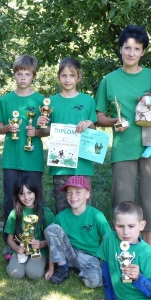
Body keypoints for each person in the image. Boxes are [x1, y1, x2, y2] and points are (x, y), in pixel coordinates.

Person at [95, 25, 151, 248]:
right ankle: (122, 252)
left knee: (150, 201)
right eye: (127, 47)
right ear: (121, 49)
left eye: (137, 48)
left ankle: (147, 254)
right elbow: (98, 117)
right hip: (124, 148)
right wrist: (116, 122)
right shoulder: (109, 80)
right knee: (122, 203)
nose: (131, 53)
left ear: (143, 51)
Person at [0, 54, 47, 247]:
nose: (23, 77)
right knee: (10, 199)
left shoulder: (42, 100)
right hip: (11, 159)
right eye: (19, 73)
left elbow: (48, 130)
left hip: (33, 160)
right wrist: (8, 128)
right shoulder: (6, 100)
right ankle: (11, 241)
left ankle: (34, 239)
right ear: (14, 75)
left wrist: (38, 132)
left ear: (33, 76)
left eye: (27, 74)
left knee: (34, 199)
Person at [37, 58, 98, 213]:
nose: (67, 79)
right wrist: (41, 124)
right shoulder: (50, 102)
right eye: (64, 75)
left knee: (83, 206)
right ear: (58, 77)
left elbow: (94, 128)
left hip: (82, 163)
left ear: (79, 77)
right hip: (61, 165)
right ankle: (62, 237)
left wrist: (88, 123)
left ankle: (84, 236)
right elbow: (45, 132)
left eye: (72, 75)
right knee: (63, 204)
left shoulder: (88, 100)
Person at [44, 176, 111, 286]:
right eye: (69, 192)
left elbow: (108, 240)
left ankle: (81, 270)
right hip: (68, 253)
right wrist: (51, 268)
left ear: (87, 194)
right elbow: (52, 243)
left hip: (89, 256)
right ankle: (63, 268)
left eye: (78, 192)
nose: (73, 196)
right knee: (52, 228)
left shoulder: (97, 215)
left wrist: (109, 264)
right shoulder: (61, 217)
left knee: (95, 282)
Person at [5, 176, 55, 280]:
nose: (26, 197)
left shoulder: (46, 212)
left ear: (35, 192)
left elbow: (53, 240)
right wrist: (17, 248)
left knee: (33, 274)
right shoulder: (14, 214)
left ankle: (40, 261)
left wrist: (41, 244)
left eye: (29, 192)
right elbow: (10, 239)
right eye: (22, 194)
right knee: (16, 274)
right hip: (22, 250)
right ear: (17, 196)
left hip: (40, 250)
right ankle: (15, 257)